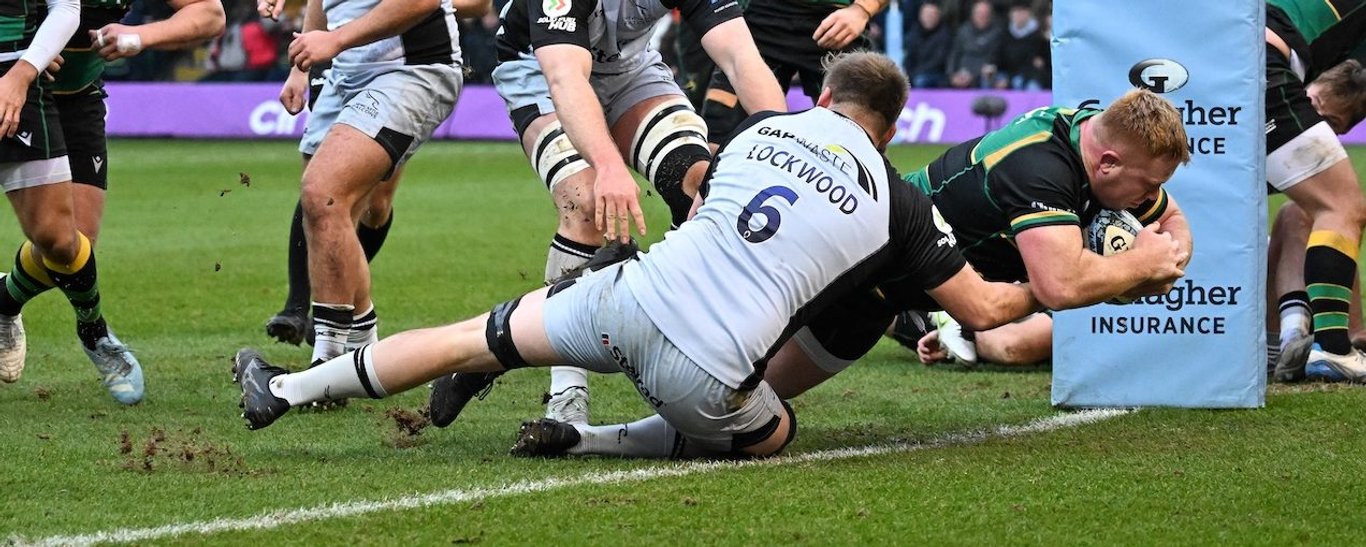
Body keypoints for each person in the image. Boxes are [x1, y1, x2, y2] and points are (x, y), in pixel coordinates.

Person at [234, 52, 1048, 461]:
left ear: (824, 98)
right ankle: (590, 440)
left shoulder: (763, 132)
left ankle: (286, 386)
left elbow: (707, 203)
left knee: (463, 334)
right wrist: (1049, 291)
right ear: (893, 127)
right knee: (778, 429)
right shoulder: (898, 201)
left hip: (629, 297)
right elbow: (983, 310)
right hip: (707, 372)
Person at [426, 0, 788, 427]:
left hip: (631, 71)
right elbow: (564, 78)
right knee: (585, 203)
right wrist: (610, 166)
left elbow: (740, 56)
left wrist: (781, 145)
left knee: (703, 184)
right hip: (541, 75)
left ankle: (503, 345)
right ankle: (566, 391)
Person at [755, 89, 1193, 398]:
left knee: (759, 399)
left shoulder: (1094, 142)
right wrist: (1136, 268)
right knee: (724, 376)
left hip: (884, 299)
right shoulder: (1040, 167)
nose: (1147, 200)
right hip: (849, 257)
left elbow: (1173, 220)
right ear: (1110, 164)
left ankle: (920, 322)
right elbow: (1058, 286)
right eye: (1148, 185)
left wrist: (1168, 260)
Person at [257, 0, 465, 374]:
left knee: (327, 192)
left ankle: (328, 361)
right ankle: (361, 343)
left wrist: (335, 40)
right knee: (329, 209)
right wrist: (300, 68)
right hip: (344, 74)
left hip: (411, 68)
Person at [0, 0, 150, 403]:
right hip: (34, 75)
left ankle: (91, 329)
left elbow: (65, 7)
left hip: (19, 81)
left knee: (63, 242)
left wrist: (27, 66)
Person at [1263, 0, 1366, 382]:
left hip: (1192, 64)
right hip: (1259, 60)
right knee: (1340, 204)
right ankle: (1335, 348)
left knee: (1304, 211)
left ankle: (1285, 338)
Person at [700, 0, 884, 146]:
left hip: (836, 21)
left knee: (860, 142)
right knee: (719, 140)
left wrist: (861, 9)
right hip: (758, 17)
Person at [945, 0, 1001, 89]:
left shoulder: (997, 33)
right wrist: (952, 74)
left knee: (988, 80)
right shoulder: (963, 31)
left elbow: (993, 58)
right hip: (962, 72)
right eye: (979, 13)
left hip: (983, 74)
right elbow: (955, 54)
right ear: (972, 14)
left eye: (985, 13)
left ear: (990, 15)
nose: (982, 16)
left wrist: (974, 74)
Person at [904, 1, 951, 89]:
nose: (929, 18)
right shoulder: (914, 32)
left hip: (936, 74)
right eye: (926, 15)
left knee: (920, 80)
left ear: (938, 17)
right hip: (916, 72)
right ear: (920, 16)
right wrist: (906, 70)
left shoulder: (944, 34)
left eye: (932, 15)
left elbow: (938, 61)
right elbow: (909, 56)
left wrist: (914, 72)